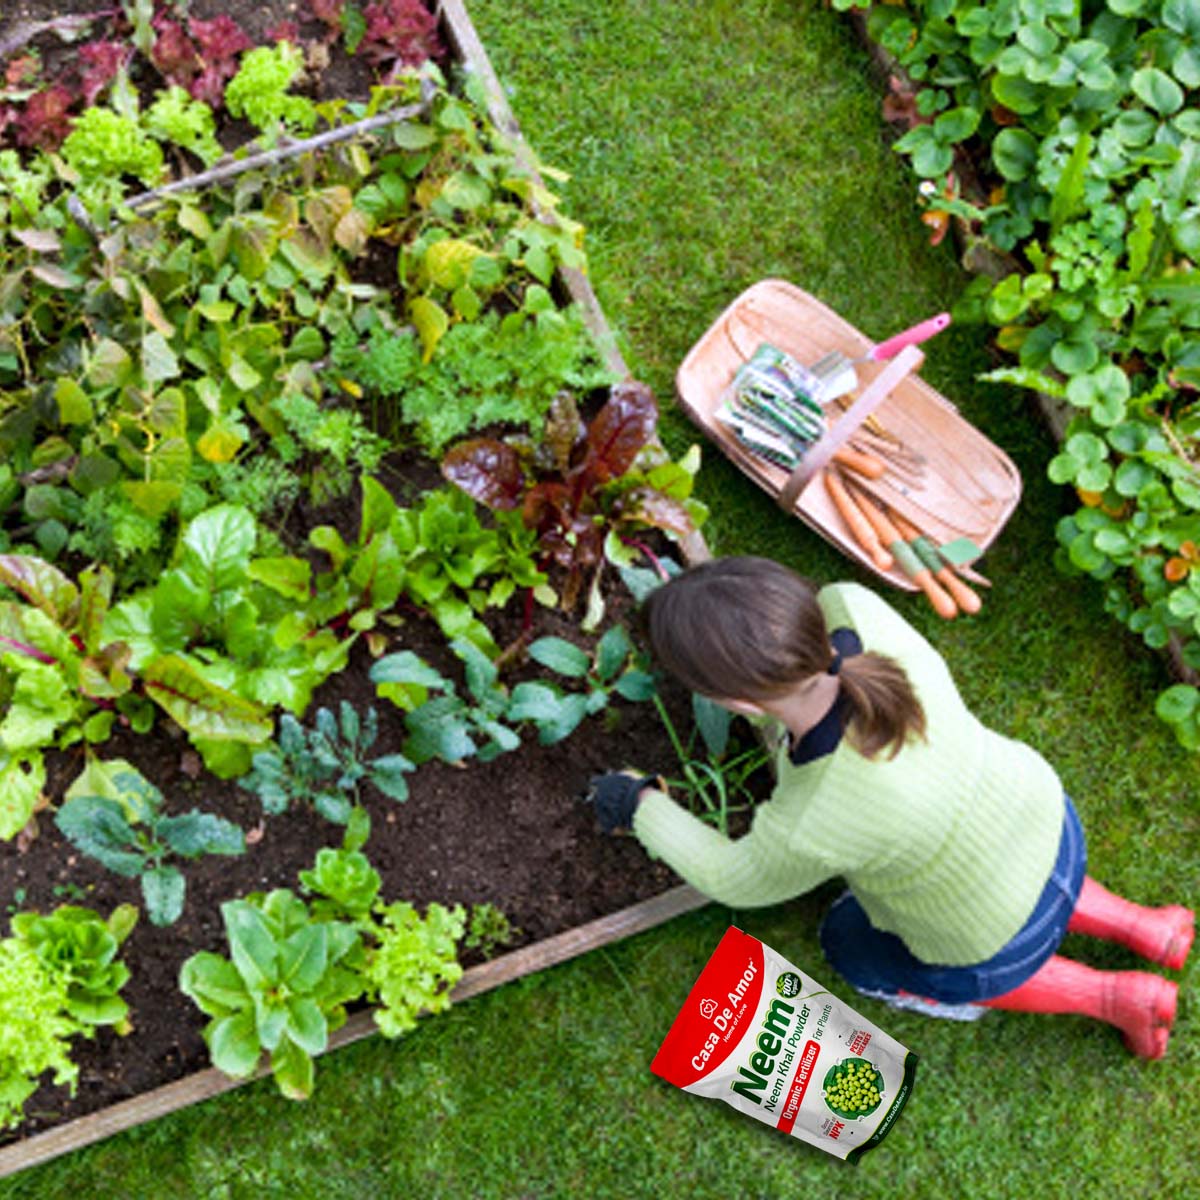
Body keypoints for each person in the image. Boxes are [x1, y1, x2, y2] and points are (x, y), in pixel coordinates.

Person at [585, 556, 1193, 1058]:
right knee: (1017, 873)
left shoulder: (814, 817)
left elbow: (733, 879)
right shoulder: (855, 609)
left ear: (739, 703)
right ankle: (1148, 927)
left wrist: (639, 804)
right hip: (1044, 817)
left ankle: (1114, 998)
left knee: (851, 944)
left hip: (986, 932)